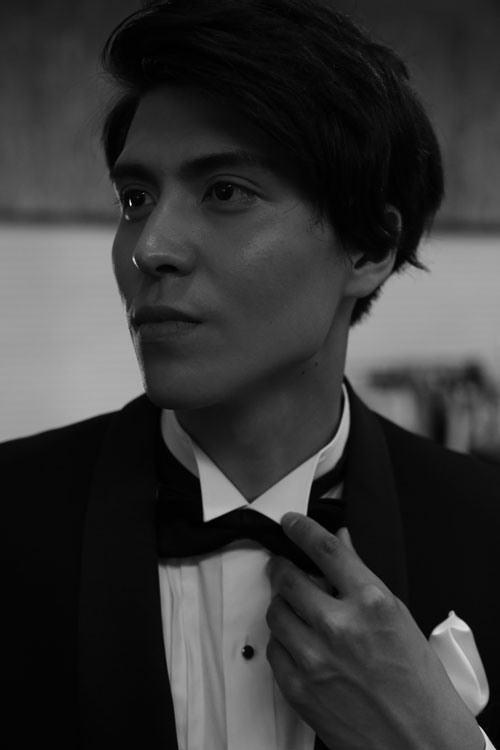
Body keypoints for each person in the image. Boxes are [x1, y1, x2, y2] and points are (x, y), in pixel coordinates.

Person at [3, 1, 499, 748]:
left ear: (369, 248)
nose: (149, 248)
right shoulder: (13, 517)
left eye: (225, 191)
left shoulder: (485, 530)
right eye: (135, 199)